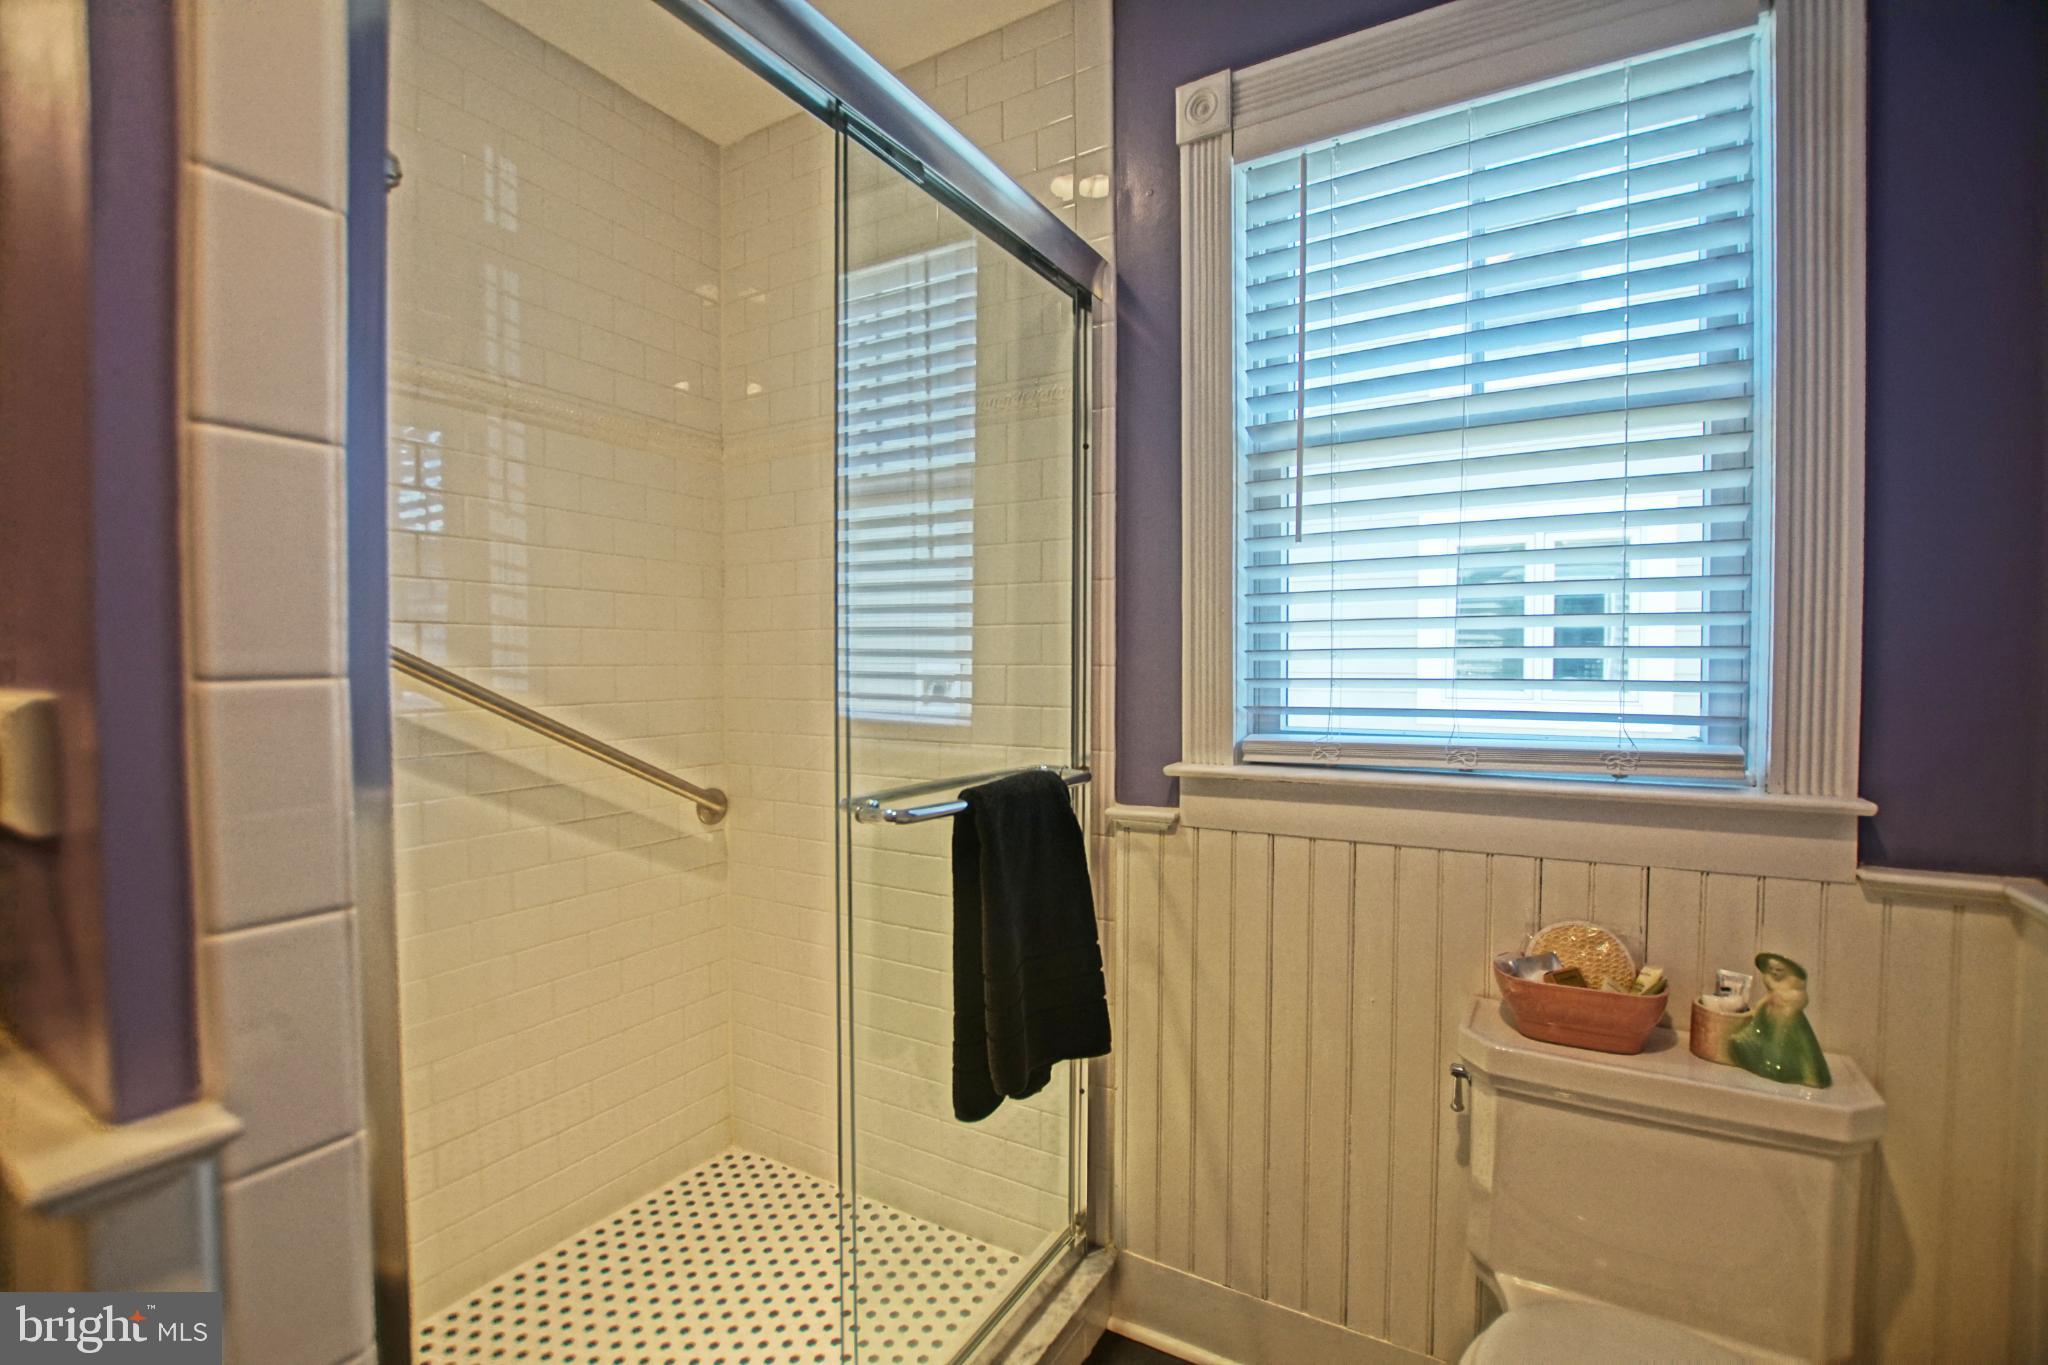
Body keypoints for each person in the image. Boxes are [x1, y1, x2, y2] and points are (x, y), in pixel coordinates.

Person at [1728, 952, 1831, 1088]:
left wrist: (1788, 1008)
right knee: (1759, 1036)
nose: (1774, 972)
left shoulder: (1795, 987)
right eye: (1771, 969)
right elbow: (1768, 998)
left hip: (1787, 1018)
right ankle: (1761, 1057)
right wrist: (1757, 1009)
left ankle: (1791, 1070)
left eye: (1779, 970)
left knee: (1787, 1042)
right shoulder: (1771, 982)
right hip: (1769, 1015)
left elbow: (1802, 1000)